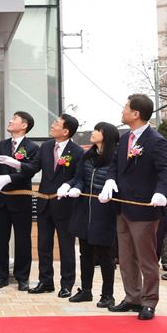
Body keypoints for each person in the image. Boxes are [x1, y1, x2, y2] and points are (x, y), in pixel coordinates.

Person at [100, 94, 167, 320]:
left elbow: (164, 170)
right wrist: (110, 180)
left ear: (136, 114)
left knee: (146, 259)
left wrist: (161, 191)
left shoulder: (156, 140)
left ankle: (149, 301)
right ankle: (132, 297)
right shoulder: (124, 139)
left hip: (144, 209)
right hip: (122, 208)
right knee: (126, 256)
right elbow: (114, 165)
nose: (122, 112)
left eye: (125, 108)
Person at [60, 121, 119, 307]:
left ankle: (107, 294)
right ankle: (86, 290)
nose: (93, 133)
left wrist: (109, 192)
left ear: (107, 135)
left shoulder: (115, 157)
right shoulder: (87, 156)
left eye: (97, 130)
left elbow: (117, 182)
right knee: (84, 252)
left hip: (104, 210)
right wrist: (72, 187)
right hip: (84, 209)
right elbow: (79, 179)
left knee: (104, 255)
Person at [27, 113, 83, 298]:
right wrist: (15, 168)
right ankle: (45, 281)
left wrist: (69, 186)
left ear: (65, 131)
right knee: (43, 245)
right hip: (44, 203)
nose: (52, 125)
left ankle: (66, 284)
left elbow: (78, 177)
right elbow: (33, 167)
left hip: (65, 205)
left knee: (66, 247)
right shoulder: (46, 146)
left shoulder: (77, 152)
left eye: (56, 123)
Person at [0, 111, 39, 291]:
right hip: (1, 200)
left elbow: (30, 170)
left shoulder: (32, 147)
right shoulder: (2, 145)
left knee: (23, 240)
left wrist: (9, 178)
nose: (10, 121)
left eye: (14, 119)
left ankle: (22, 277)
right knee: (1, 239)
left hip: (21, 199)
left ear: (24, 125)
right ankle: (1, 276)